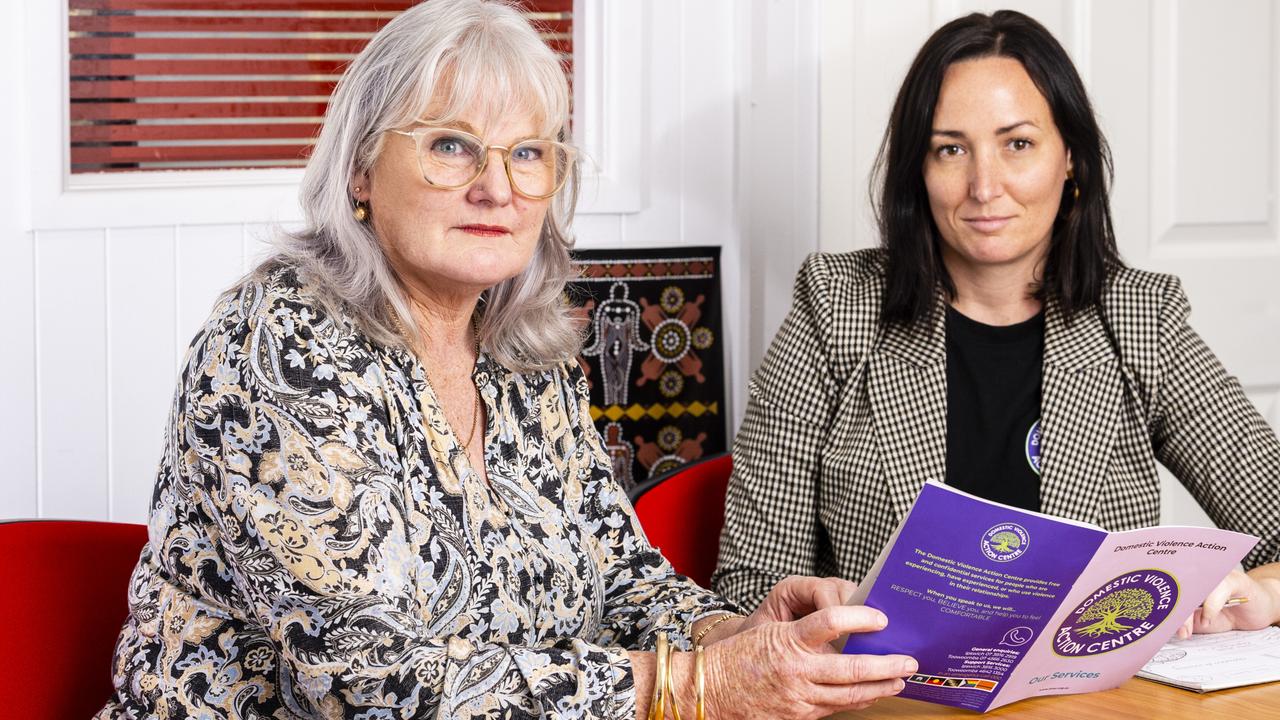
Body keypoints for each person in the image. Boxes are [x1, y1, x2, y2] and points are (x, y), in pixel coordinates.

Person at [95, 1, 918, 718]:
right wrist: (696, 686)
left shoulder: (526, 346)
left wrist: (743, 633)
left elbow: (622, 581)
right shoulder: (277, 341)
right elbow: (367, 683)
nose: (500, 187)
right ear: (359, 171)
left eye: (529, 153)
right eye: (452, 146)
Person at [713, 9, 1280, 641]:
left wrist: (1263, 591)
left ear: (1070, 159)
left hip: (1091, 699)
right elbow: (750, 587)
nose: (984, 186)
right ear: (917, 171)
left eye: (1018, 143)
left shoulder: (1139, 318)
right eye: (950, 149)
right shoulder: (837, 307)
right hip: (889, 696)